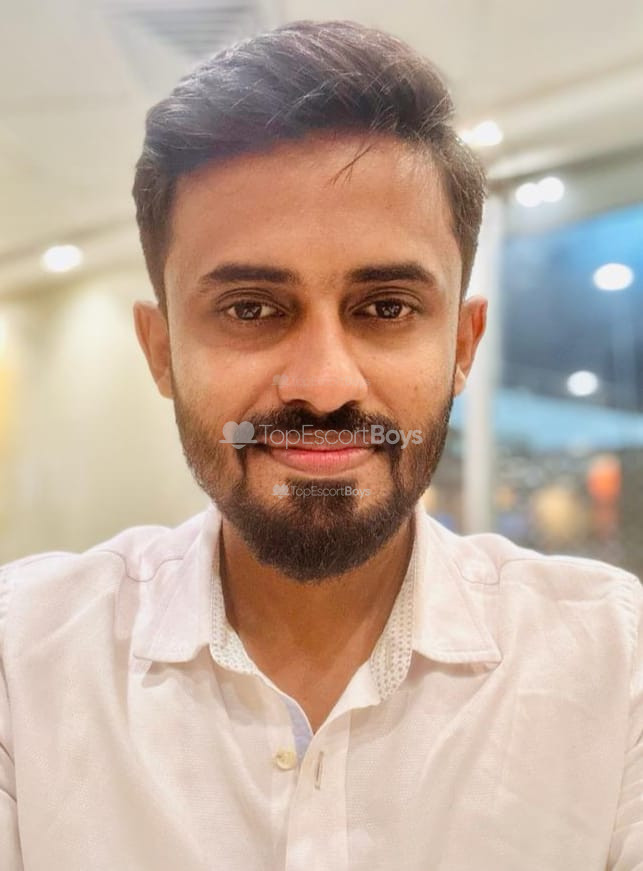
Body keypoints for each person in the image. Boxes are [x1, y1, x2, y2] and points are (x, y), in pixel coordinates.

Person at [1, 19, 641, 871]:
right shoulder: (23, 661)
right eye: (251, 309)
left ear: (461, 345)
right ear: (161, 351)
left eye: (385, 308)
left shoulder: (615, 666)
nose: (324, 384)